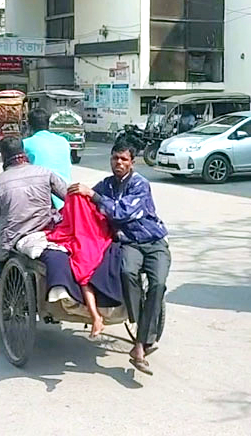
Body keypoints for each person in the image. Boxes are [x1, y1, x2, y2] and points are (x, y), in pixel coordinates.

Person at [68, 138, 169, 375]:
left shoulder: (140, 185)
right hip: (129, 243)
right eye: (115, 158)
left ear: (132, 163)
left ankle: (139, 345)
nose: (119, 163)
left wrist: (92, 195)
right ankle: (141, 332)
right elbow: (89, 202)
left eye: (124, 159)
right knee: (126, 272)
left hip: (153, 242)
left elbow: (122, 212)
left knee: (158, 284)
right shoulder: (107, 185)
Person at [0, 137, 68, 312]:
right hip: (46, 231)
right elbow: (69, 197)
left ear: (3, 155)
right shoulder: (45, 173)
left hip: (12, 240)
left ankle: (0, 306)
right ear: (24, 152)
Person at [22, 108, 72, 209]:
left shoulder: (26, 144)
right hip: (65, 196)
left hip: (40, 200)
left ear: (29, 125)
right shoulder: (64, 142)